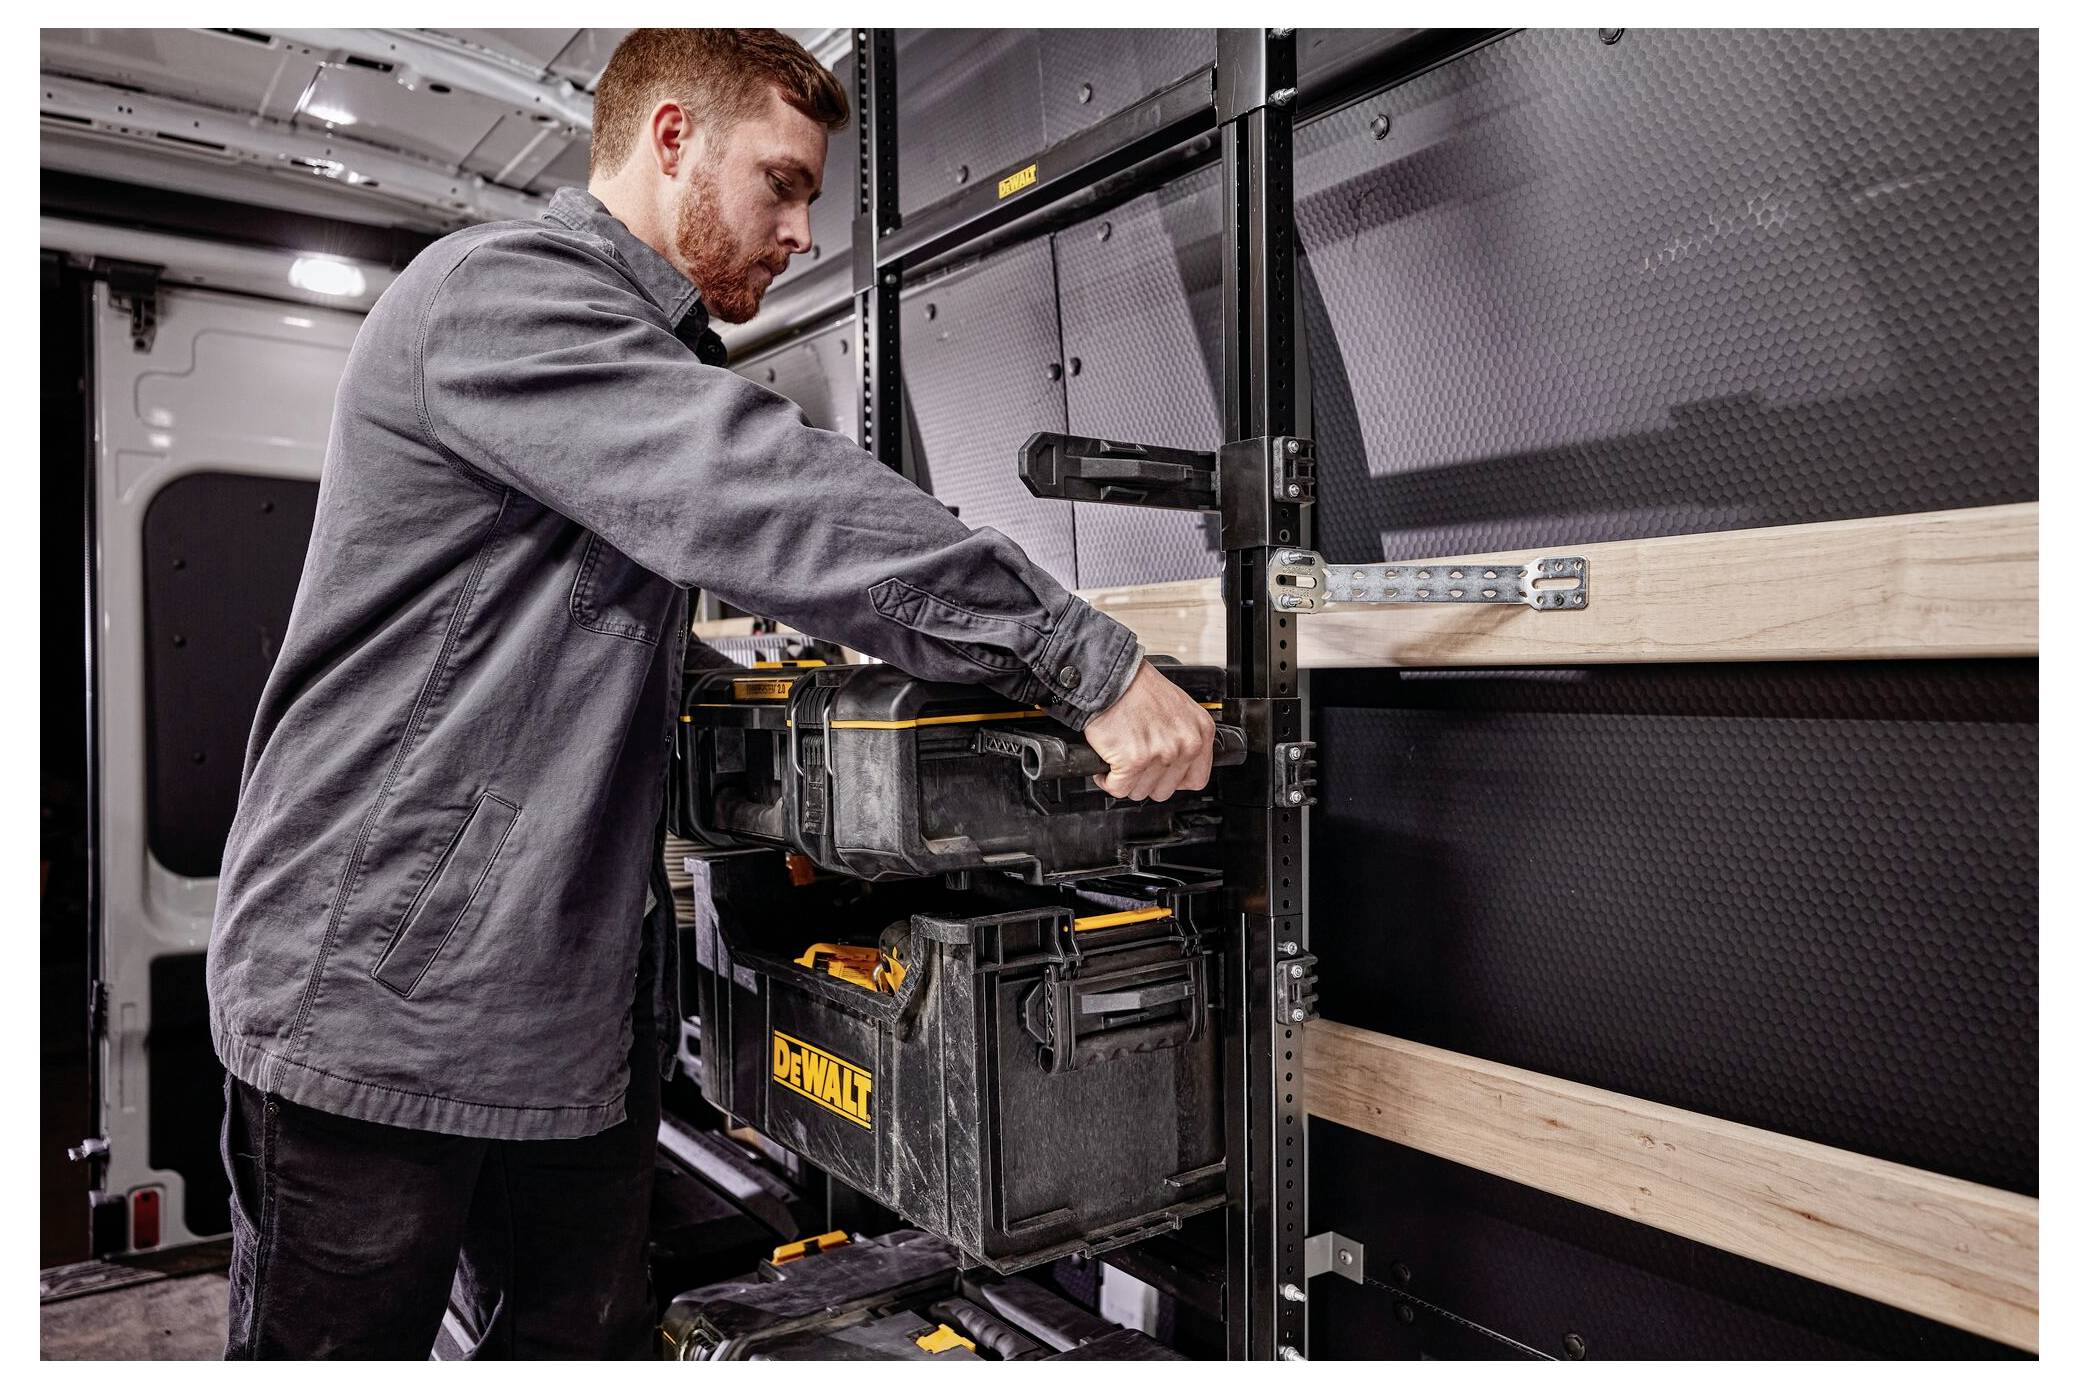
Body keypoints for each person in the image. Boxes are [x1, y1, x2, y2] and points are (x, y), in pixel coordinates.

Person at [205, 29, 1214, 1359]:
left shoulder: (626, 356)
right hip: (383, 1000)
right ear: (672, 138)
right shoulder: (504, 295)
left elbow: (558, 637)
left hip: (560, 1018)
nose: (801, 231)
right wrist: (1080, 656)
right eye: (781, 185)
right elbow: (768, 492)